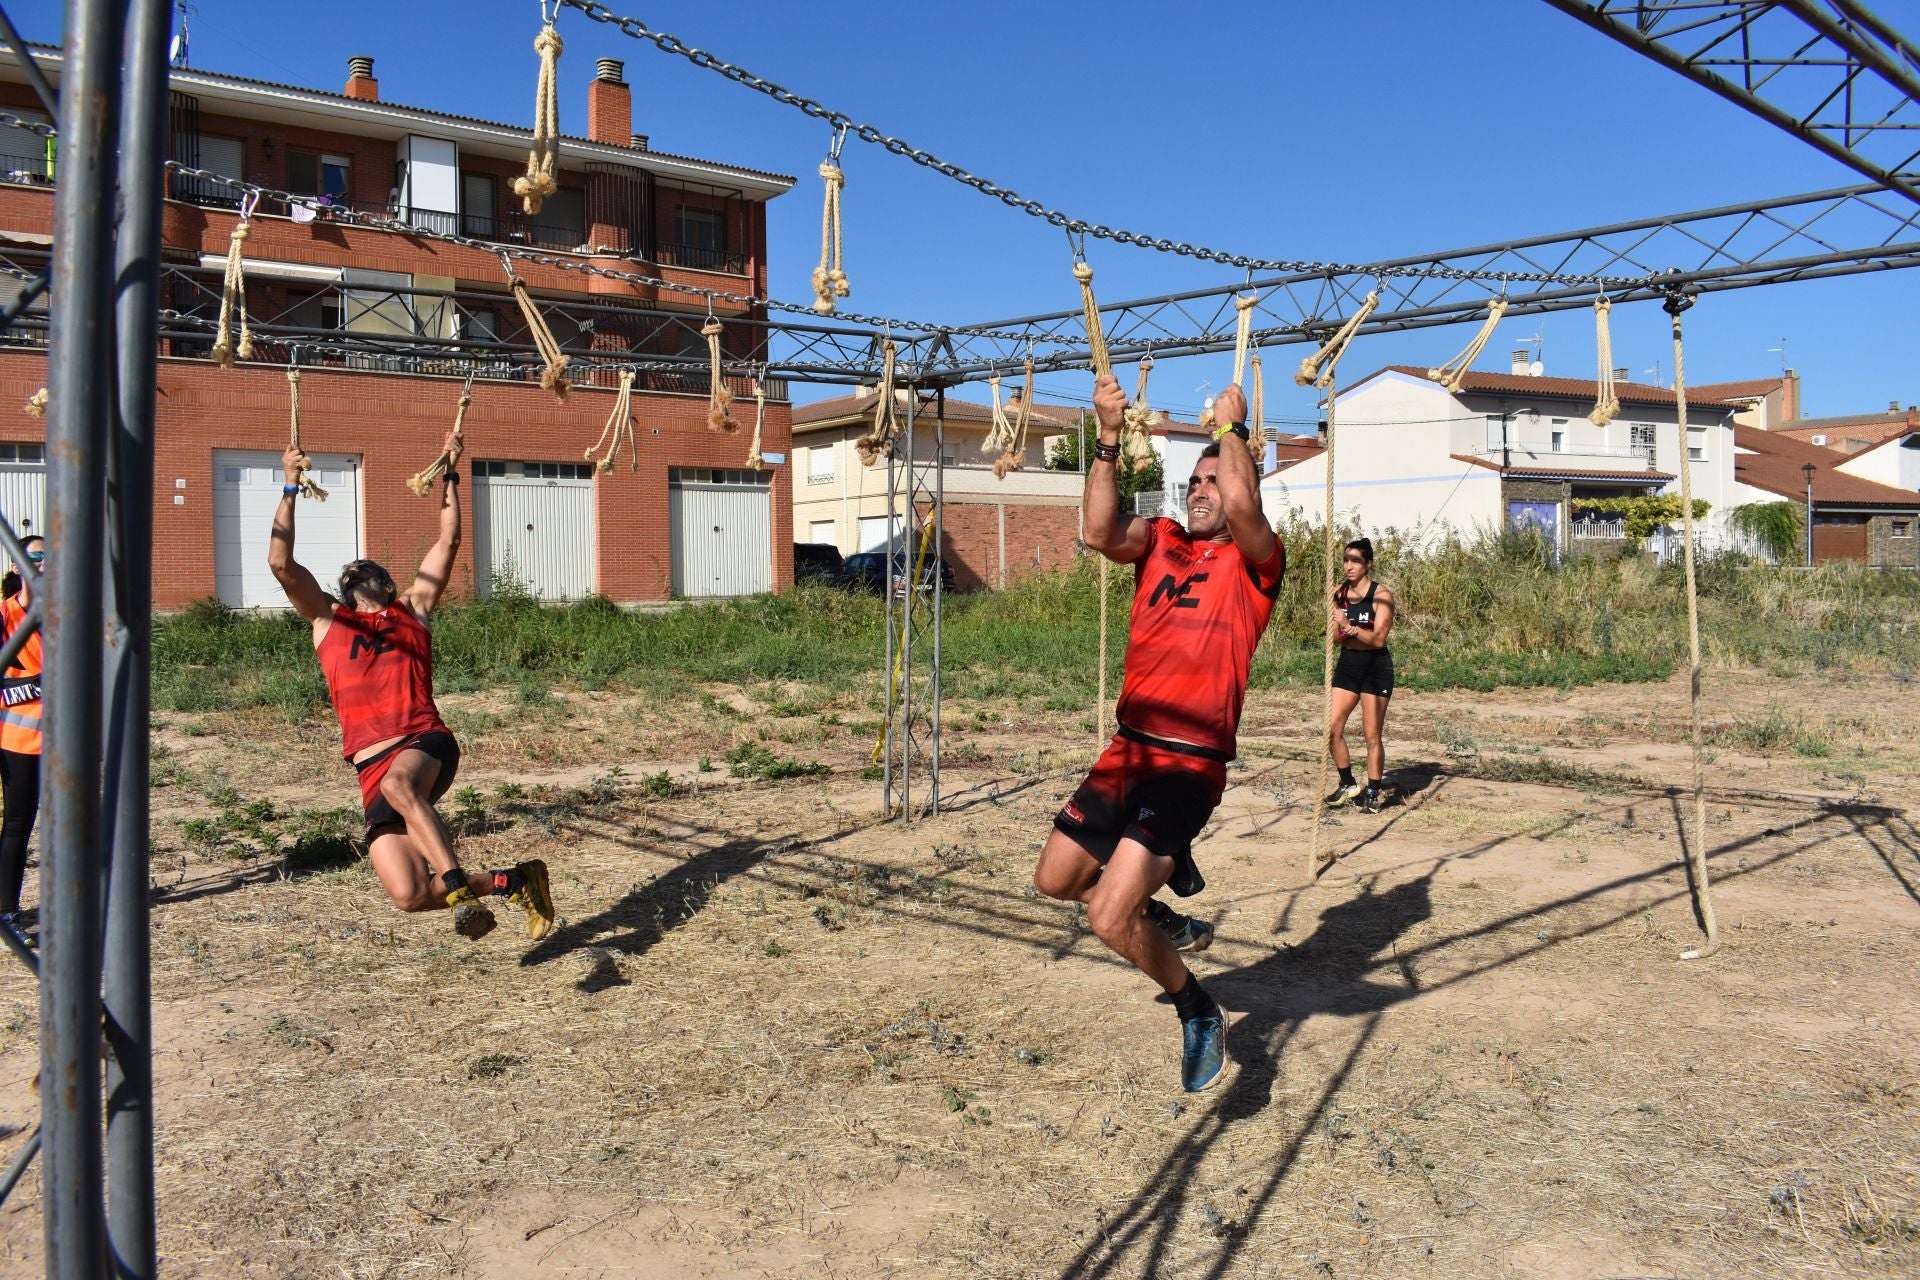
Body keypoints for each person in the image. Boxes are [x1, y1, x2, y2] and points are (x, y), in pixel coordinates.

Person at [1032, 376, 1284, 1093]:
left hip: (1187, 765)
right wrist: (1108, 439)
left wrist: (1234, 427)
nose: (1203, 491)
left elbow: (1242, 502)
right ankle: (1164, 909)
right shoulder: (1161, 542)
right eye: (1195, 482)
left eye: (1215, 479)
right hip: (1128, 750)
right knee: (1058, 881)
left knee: (1109, 916)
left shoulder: (1257, 560)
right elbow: (1096, 533)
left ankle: (1196, 1009)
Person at [267, 433, 555, 942]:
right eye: (349, 572)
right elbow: (281, 565)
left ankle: (459, 890)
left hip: (423, 742)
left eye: (368, 568)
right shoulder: (327, 622)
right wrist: (290, 486)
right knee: (408, 894)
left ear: (388, 585)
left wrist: (450, 471)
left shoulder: (412, 611)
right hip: (368, 768)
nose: (355, 569)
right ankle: (517, 879)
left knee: (401, 789)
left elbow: (448, 541)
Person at [1324, 537, 1396, 814]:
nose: (1349, 566)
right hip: (1349, 665)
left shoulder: (1381, 596)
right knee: (1332, 729)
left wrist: (1349, 626)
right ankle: (1348, 784)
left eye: (1355, 561)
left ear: (1368, 564)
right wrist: (1339, 627)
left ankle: (1373, 790)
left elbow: (1378, 640)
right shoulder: (1339, 594)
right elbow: (1337, 639)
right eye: (1346, 560)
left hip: (1376, 669)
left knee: (1371, 735)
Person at [0, 535, 44, 934]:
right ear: (17, 566)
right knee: (18, 823)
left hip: (67, 744)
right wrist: (37, 685)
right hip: (19, 741)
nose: (44, 562)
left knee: (72, 822)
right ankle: (7, 909)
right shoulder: (5, 616)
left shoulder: (66, 613)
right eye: (36, 556)